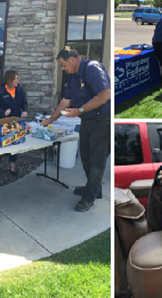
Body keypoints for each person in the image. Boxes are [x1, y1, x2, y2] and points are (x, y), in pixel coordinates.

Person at [41, 46, 110, 212]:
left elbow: (105, 94)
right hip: (87, 121)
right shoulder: (72, 77)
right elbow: (65, 101)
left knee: (96, 161)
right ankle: (94, 190)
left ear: (72, 59)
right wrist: (50, 120)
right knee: (86, 157)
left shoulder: (92, 68)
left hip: (102, 121)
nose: (63, 69)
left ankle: (89, 198)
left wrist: (79, 110)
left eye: (64, 65)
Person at [0, 70, 28, 179]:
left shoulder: (20, 90)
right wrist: (3, 112)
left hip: (16, 122)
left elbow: (24, 103)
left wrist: (25, 110)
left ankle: (12, 167)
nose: (17, 80)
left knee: (15, 144)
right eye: (15, 79)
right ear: (9, 80)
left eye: (18, 78)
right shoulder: (1, 92)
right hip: (3, 123)